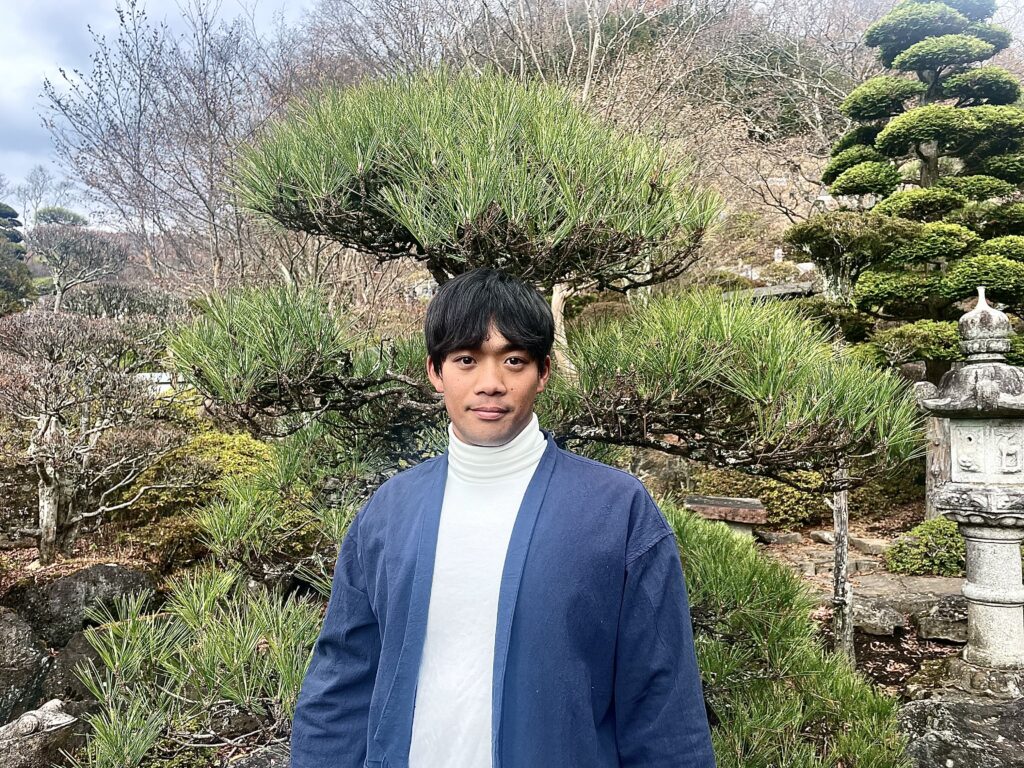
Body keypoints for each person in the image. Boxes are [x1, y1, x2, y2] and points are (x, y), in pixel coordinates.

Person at [289, 268, 716, 768]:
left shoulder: (615, 509)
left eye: (514, 360)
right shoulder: (390, 511)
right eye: (466, 360)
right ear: (435, 372)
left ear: (544, 372)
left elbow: (662, 703)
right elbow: (341, 682)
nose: (490, 384)